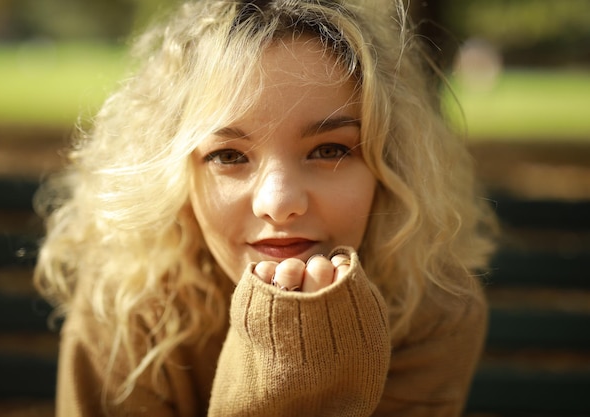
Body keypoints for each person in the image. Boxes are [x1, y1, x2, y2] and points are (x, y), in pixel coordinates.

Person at [34, 0, 497, 415]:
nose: (279, 204)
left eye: (330, 150)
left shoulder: (434, 308)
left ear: (389, 167)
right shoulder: (123, 306)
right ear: (174, 178)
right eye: (229, 156)